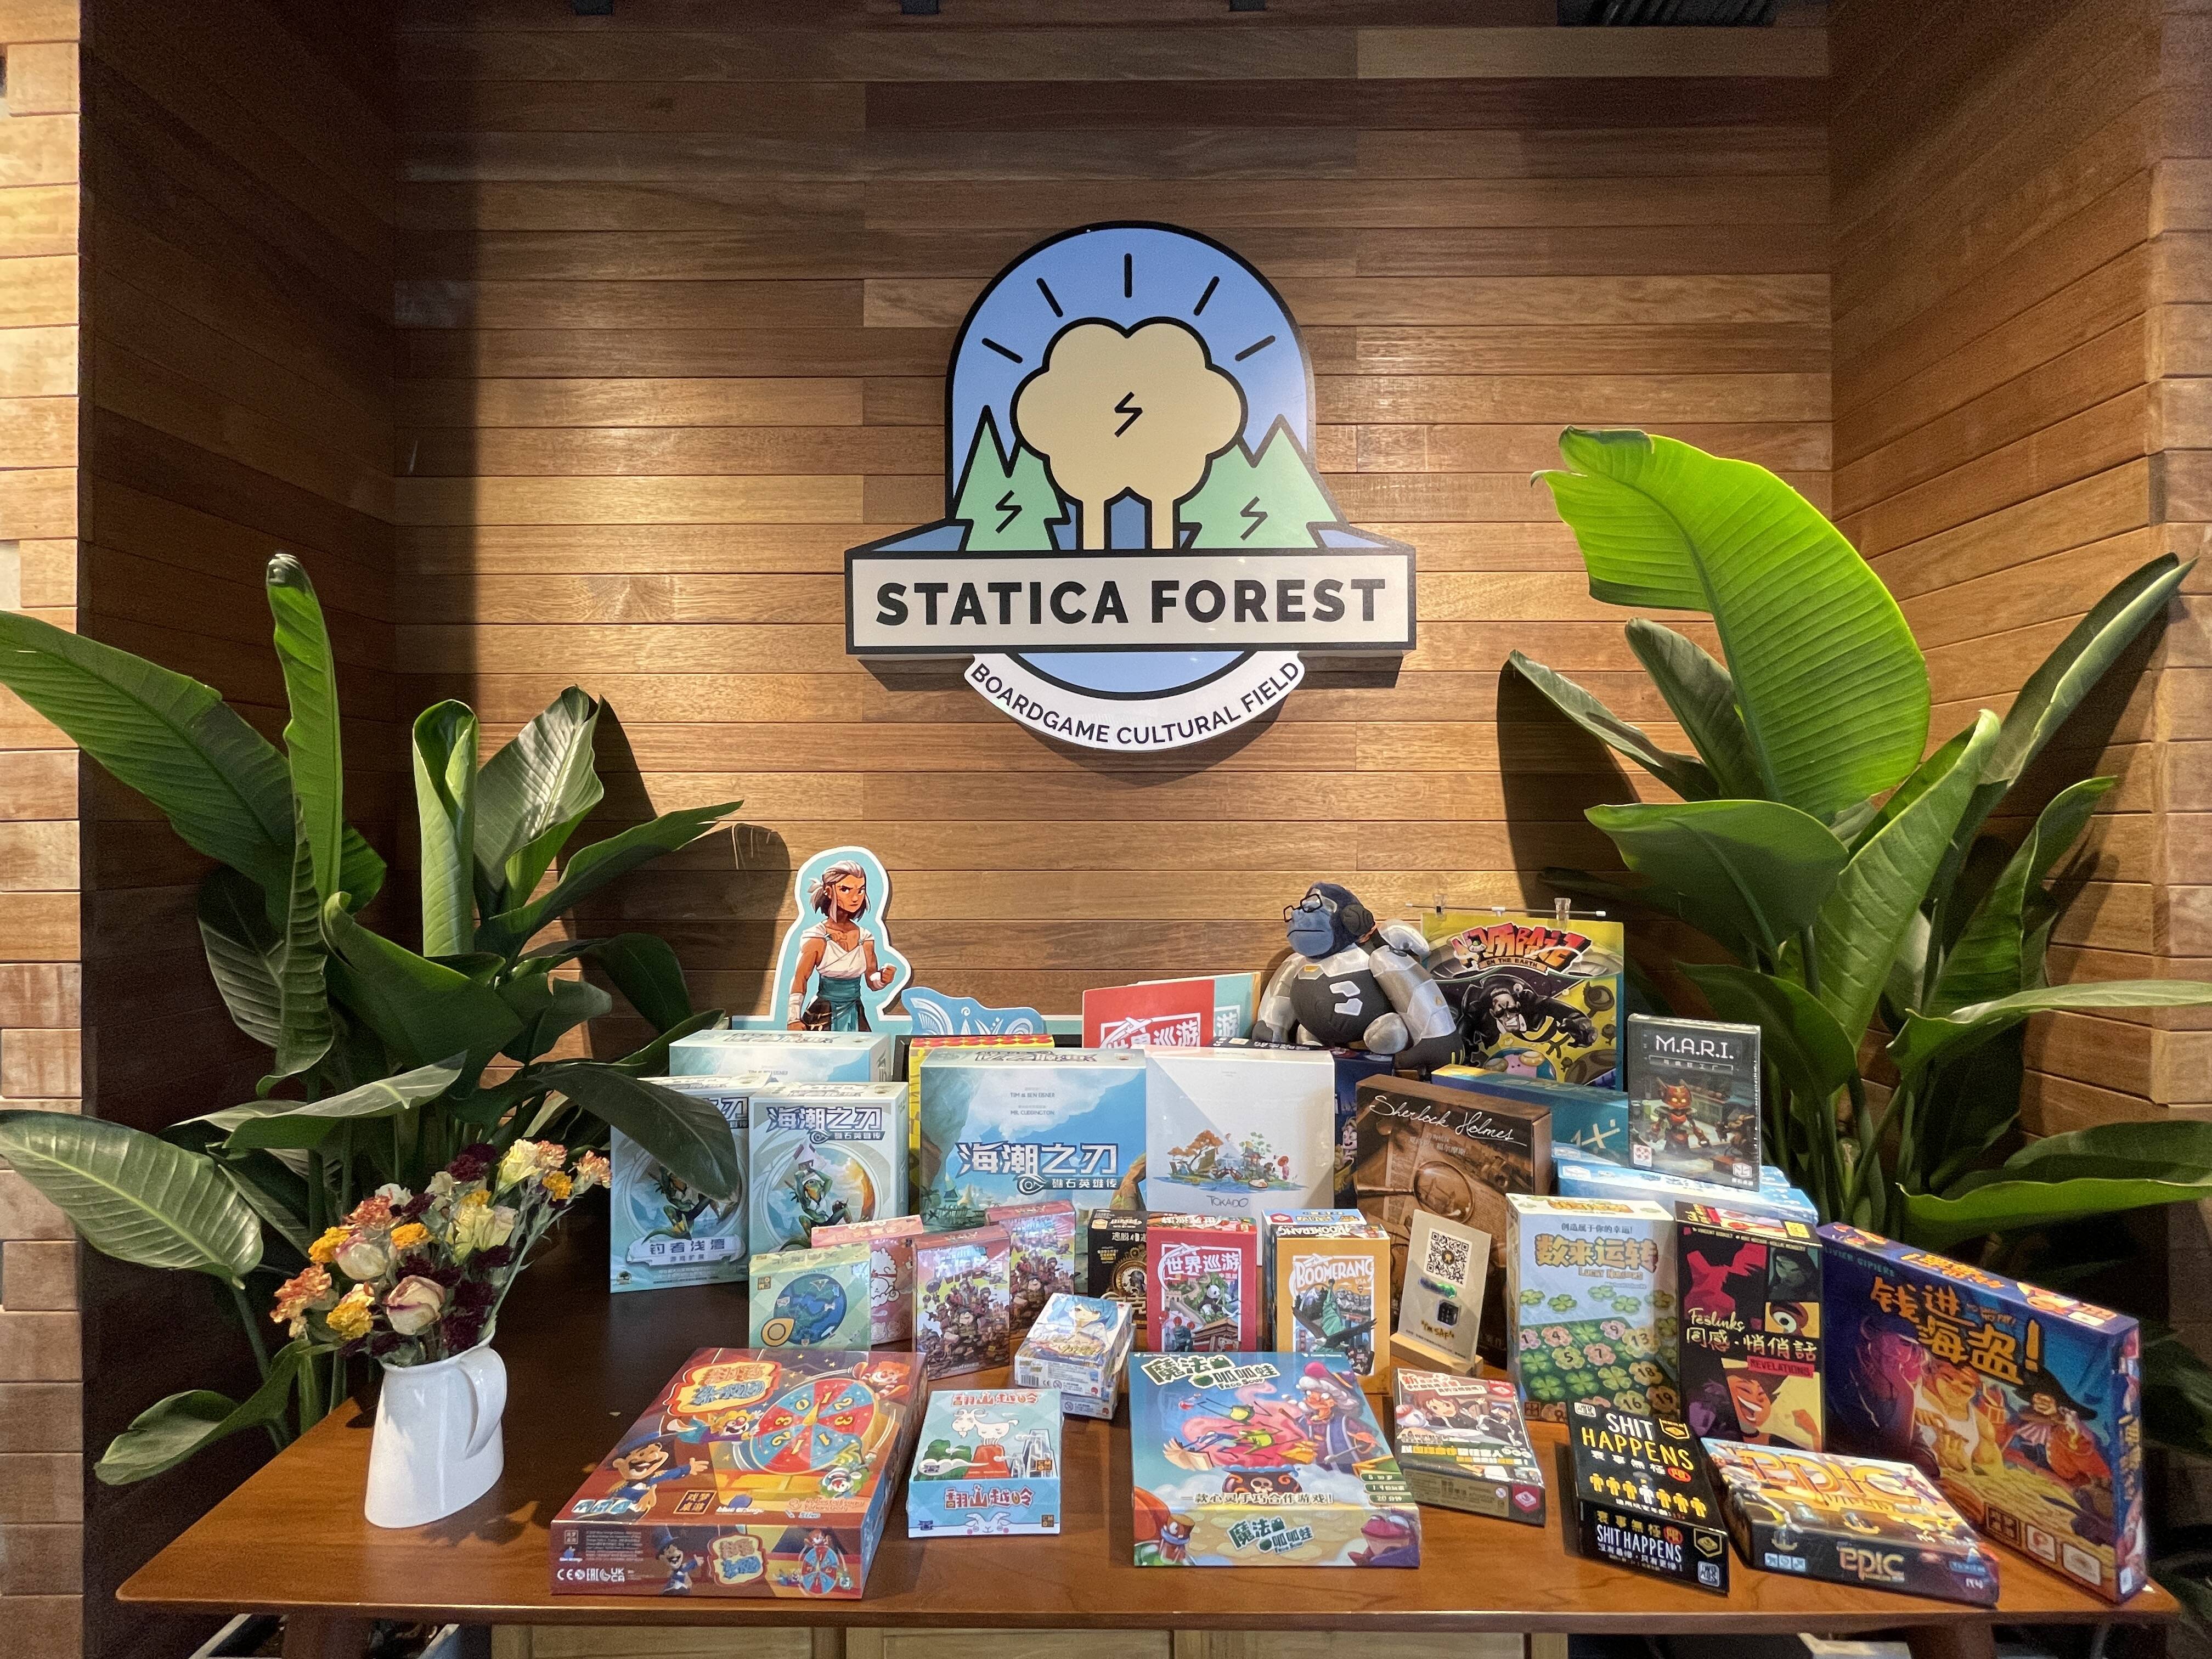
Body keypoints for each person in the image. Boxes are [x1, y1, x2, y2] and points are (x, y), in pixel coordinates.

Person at [786, 859, 893, 1031]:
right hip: (823, 1015)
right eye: (845, 889)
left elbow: (872, 981)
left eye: (861, 890)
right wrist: (793, 1019)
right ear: (829, 891)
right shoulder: (817, 937)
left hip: (856, 1014)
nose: (855, 898)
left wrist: (882, 978)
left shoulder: (865, 938)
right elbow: (801, 978)